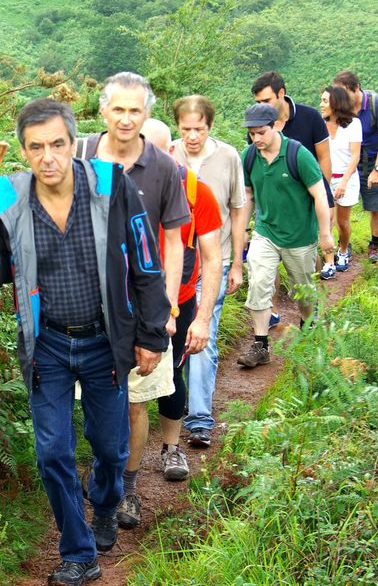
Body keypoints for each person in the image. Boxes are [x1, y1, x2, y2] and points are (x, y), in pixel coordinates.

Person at [0, 98, 170, 586]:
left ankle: (106, 504)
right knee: (52, 451)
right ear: (24, 151)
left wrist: (152, 332)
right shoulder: (10, 200)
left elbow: (145, 259)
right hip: (47, 345)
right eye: (36, 147)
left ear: (73, 142)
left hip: (106, 342)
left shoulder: (111, 186)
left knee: (111, 448)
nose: (48, 156)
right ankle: (78, 552)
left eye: (57, 143)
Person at [75, 72, 190, 530]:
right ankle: (101, 471)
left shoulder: (163, 167)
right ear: (102, 110)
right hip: (80, 309)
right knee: (88, 402)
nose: (126, 118)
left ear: (147, 114)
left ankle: (127, 487)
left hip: (141, 310)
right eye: (118, 109)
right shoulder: (77, 153)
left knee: (136, 402)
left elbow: (175, 241)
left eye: (135, 110)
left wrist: (165, 308)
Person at [140, 118, 223, 485]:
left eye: (158, 150)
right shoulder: (116, 184)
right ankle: (114, 460)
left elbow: (212, 257)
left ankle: (171, 447)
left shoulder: (197, 193)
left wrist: (203, 318)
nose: (150, 159)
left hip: (181, 300)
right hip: (126, 301)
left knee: (171, 376)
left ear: (171, 150)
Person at [171, 95, 246, 448]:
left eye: (198, 129)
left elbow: (237, 209)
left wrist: (238, 262)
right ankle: (171, 405)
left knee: (203, 333)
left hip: (216, 260)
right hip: (177, 266)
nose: (191, 136)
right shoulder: (167, 155)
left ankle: (199, 418)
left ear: (209, 127)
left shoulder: (228, 156)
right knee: (176, 335)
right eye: (185, 129)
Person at [237, 103, 334, 368]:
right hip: (266, 233)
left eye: (261, 132)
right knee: (258, 282)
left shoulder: (298, 154)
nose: (256, 138)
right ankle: (260, 344)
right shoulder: (248, 156)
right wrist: (244, 230)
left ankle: (308, 327)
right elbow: (247, 195)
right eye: (252, 133)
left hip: (300, 237)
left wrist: (325, 234)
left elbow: (319, 194)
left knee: (302, 294)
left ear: (277, 126)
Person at [251, 71, 332, 322]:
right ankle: (272, 310)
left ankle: (310, 305)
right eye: (258, 102)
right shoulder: (259, 127)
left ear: (281, 94)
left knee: (305, 262)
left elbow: (324, 158)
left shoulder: (310, 117)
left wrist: (324, 196)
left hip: (307, 201)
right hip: (272, 207)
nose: (261, 107)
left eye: (266, 101)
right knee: (266, 262)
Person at [333, 70, 378, 262]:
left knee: (375, 207)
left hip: (373, 162)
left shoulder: (376, 104)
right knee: (341, 207)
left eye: (344, 93)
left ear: (356, 88)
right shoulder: (341, 107)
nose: (340, 98)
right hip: (349, 163)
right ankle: (344, 244)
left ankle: (375, 244)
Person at [319, 85, 362, 279]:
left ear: (336, 103)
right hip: (325, 179)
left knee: (342, 222)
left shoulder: (353, 124)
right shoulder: (319, 124)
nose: (321, 104)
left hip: (347, 179)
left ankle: (343, 250)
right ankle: (329, 263)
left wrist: (344, 181)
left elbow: (355, 156)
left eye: (325, 101)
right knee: (326, 222)